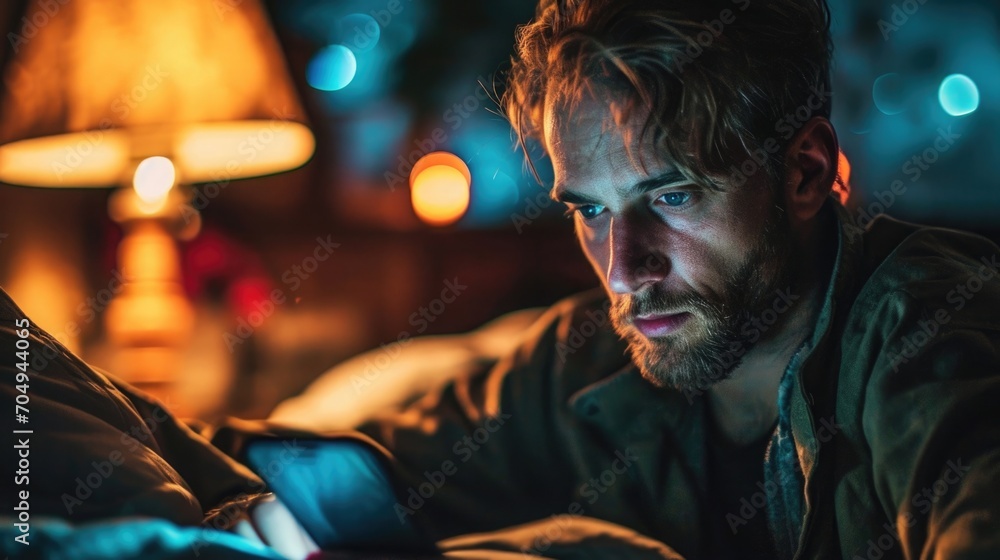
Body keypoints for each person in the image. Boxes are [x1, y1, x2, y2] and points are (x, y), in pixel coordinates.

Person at [350, 0, 1000, 558]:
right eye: (592, 209)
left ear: (805, 171)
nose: (625, 269)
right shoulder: (586, 362)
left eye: (674, 197)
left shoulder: (929, 333)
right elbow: (332, 477)